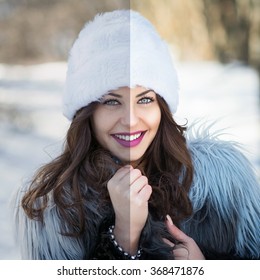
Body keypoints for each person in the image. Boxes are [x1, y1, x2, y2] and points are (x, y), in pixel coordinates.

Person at [13, 9, 260, 260]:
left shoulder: (226, 184)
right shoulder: (52, 211)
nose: (131, 120)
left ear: (161, 106)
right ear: (86, 112)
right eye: (111, 101)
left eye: (144, 99)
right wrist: (124, 236)